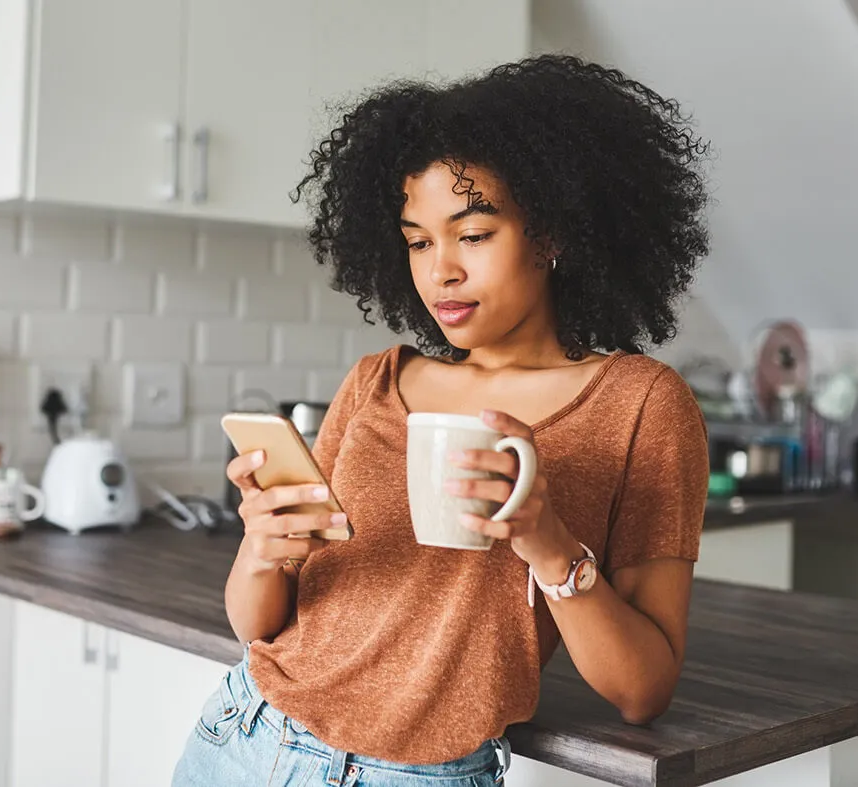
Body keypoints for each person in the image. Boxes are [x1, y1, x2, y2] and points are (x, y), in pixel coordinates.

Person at [173, 53, 712, 786]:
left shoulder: (641, 405)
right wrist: (264, 546)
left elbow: (643, 690)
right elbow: (259, 625)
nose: (440, 271)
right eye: (419, 240)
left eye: (474, 234)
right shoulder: (375, 382)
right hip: (245, 736)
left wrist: (546, 542)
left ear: (551, 232)